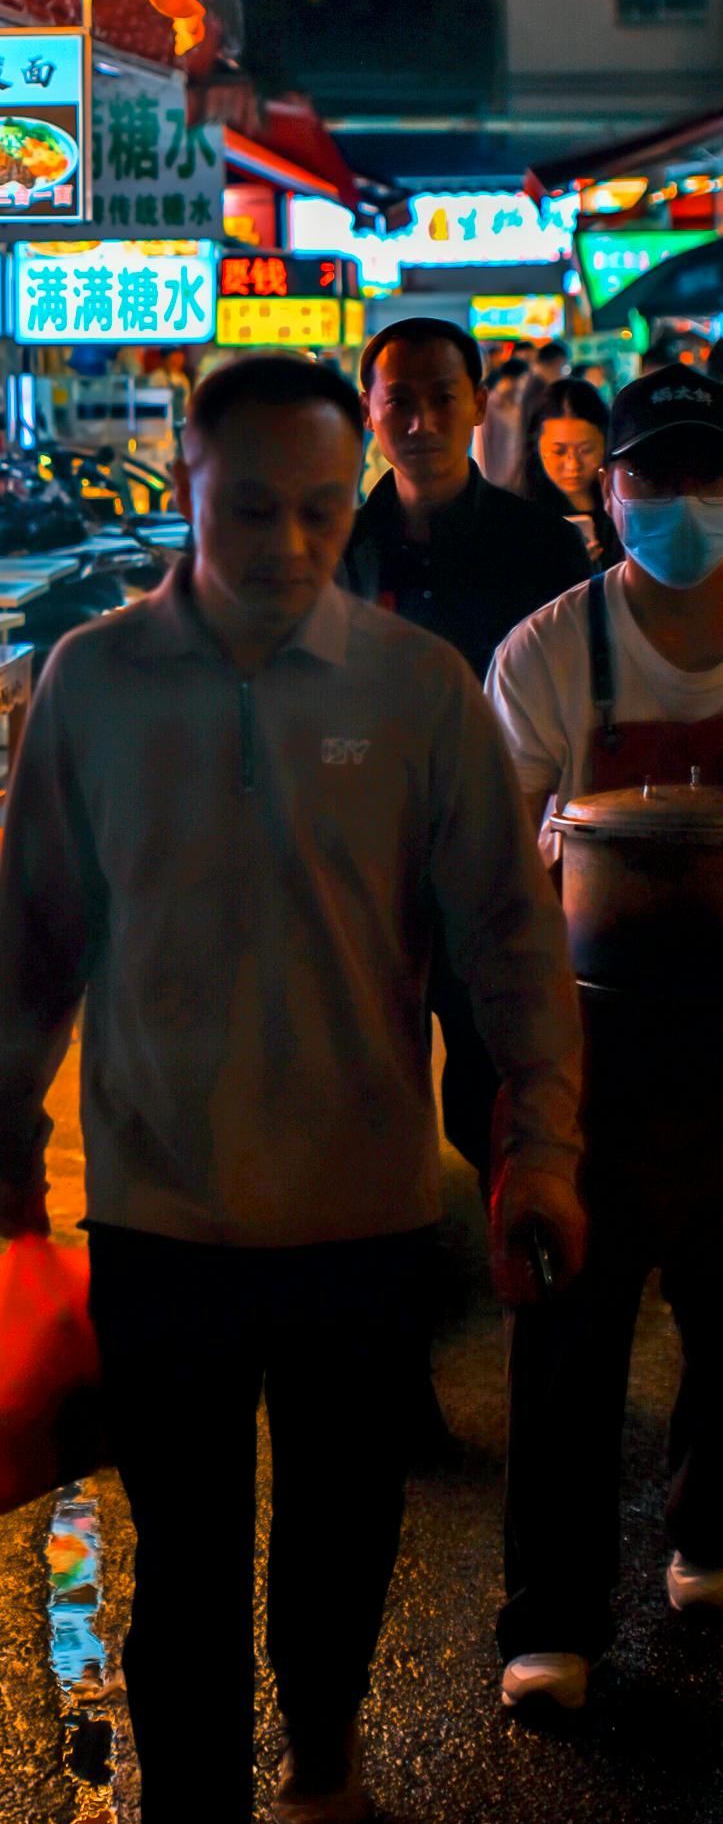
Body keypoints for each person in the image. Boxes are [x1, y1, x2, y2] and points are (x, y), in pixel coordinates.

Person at [0, 355, 584, 1824]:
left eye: (321, 511)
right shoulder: (93, 687)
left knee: (337, 1529)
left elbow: (507, 941)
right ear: (184, 491)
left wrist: (543, 1144)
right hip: (160, 1206)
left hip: (362, 1204)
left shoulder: (412, 690)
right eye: (253, 509)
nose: (290, 542)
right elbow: (35, 930)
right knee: (181, 1562)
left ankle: (320, 1753)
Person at [486, 363, 723, 1714]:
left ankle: (706, 1531)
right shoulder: (540, 654)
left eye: (705, 478)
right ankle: (552, 1621)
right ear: (603, 491)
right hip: (590, 1047)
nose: (682, 503)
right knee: (564, 1329)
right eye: (654, 478)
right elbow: (481, 862)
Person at [345, 318, 590, 1185]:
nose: (419, 422)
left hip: (501, 844)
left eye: (441, 398)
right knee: (366, 1060)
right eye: (397, 401)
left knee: (494, 1064)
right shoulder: (336, 552)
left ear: (478, 405)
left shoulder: (540, 544)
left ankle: (513, 1219)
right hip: (364, 851)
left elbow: (576, 699)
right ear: (368, 413)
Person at [520, 377, 622, 571]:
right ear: (536, 448)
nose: (573, 465)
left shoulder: (627, 511)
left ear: (606, 444)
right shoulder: (517, 520)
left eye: (586, 450)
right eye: (558, 451)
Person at [477, 353, 534, 492]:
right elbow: (480, 449)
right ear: (511, 379)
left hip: (516, 486)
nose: (524, 388)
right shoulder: (489, 406)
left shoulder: (518, 408)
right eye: (524, 381)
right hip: (492, 485)